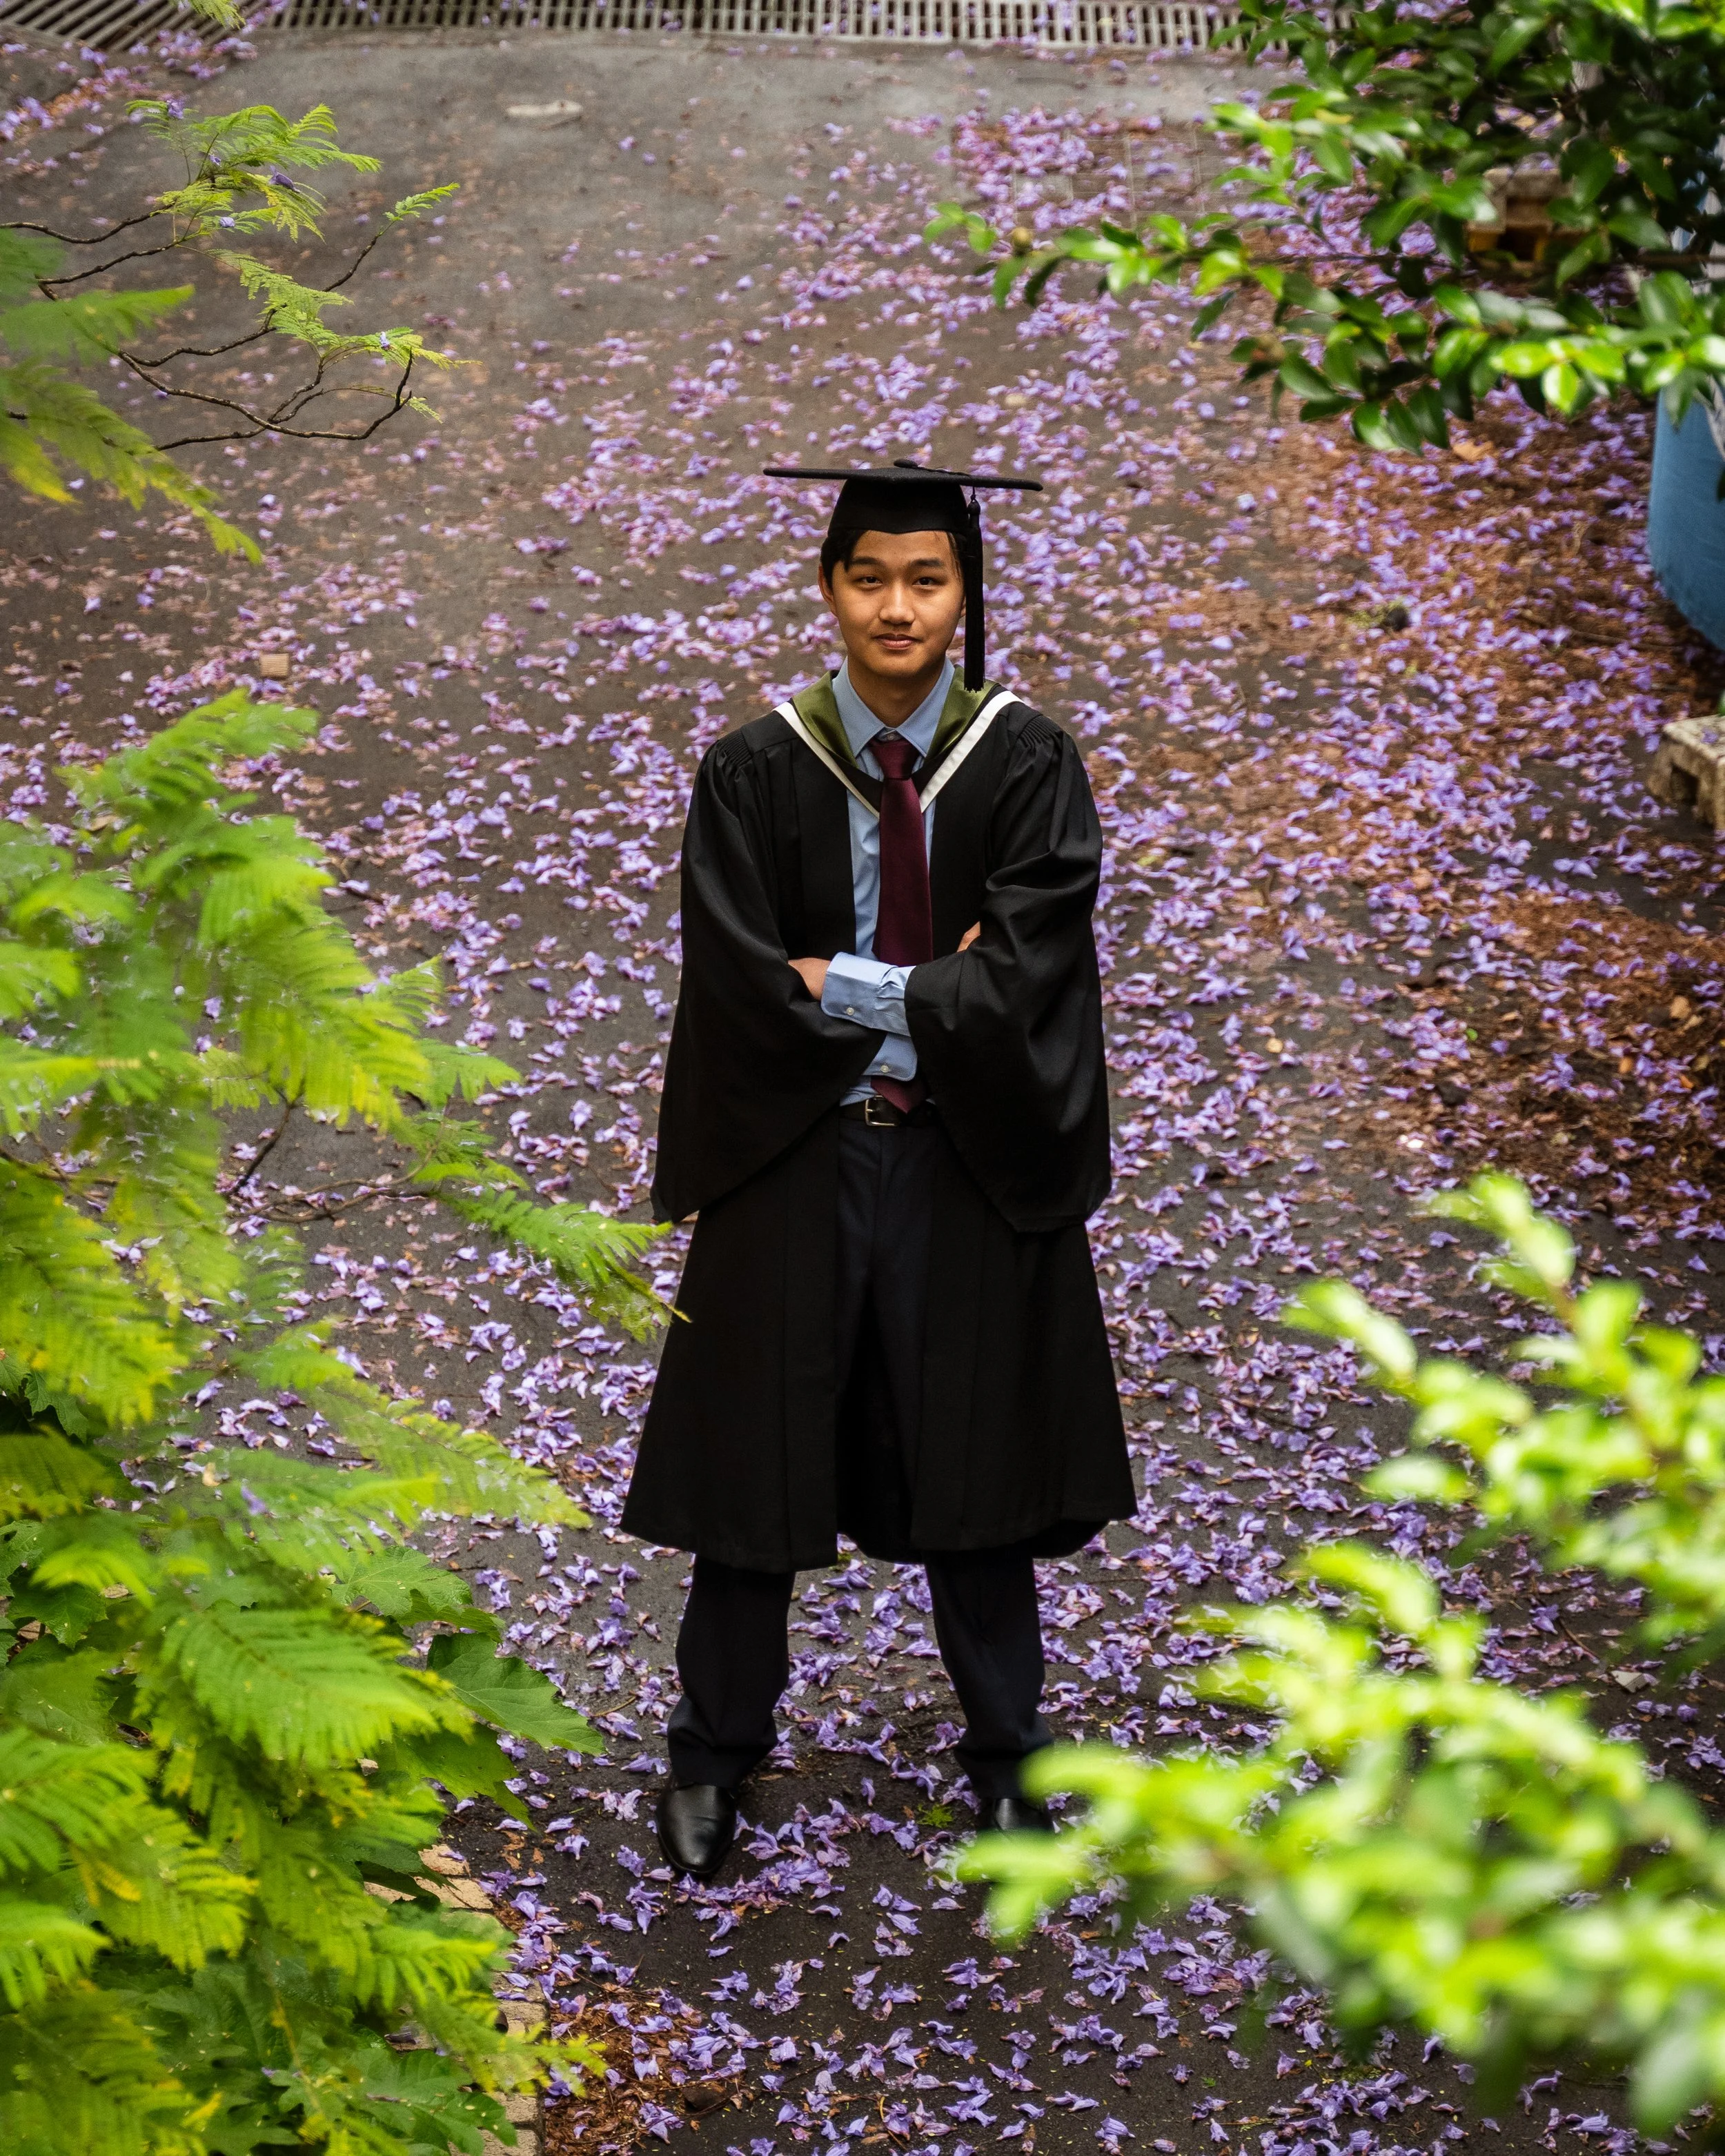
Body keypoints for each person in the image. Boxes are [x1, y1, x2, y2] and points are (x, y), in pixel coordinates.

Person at [621, 459, 1134, 1882]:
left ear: (963, 594)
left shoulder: (1028, 763)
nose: (895, 607)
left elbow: (1025, 979)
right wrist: (923, 982)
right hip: (795, 1156)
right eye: (868, 578)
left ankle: (1011, 1769)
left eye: (925, 579)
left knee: (977, 1474)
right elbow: (737, 990)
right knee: (751, 1477)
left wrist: (839, 981)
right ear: (827, 588)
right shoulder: (751, 767)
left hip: (964, 1159)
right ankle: (708, 1763)